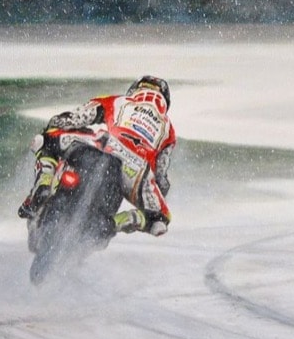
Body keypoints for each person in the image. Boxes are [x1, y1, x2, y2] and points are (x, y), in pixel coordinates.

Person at [18, 76, 176, 237]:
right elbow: (161, 175)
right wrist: (155, 193)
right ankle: (115, 223)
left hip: (103, 144)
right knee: (160, 220)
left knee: (45, 140)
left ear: (134, 90)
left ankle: (44, 181)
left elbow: (77, 118)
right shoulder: (168, 129)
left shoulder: (118, 100)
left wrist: (56, 122)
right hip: (136, 170)